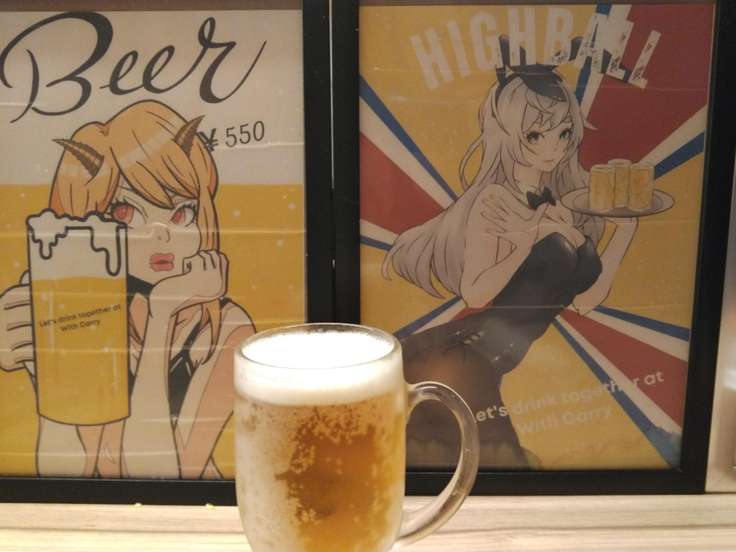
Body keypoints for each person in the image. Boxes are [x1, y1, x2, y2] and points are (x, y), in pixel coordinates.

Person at [383, 65, 638, 468]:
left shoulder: (563, 202)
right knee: (493, 463)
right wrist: (531, 235)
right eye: (535, 135)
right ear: (507, 133)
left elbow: (586, 301)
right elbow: (476, 292)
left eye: (563, 132)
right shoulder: (494, 202)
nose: (553, 146)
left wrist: (624, 233)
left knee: (466, 464)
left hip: (494, 359)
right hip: (463, 355)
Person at [0, 100, 255, 479]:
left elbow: (165, 476)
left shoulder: (224, 330)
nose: (161, 234)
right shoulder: (87, 319)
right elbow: (67, 471)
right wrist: (44, 366)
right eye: (125, 213)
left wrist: (162, 315)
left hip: (200, 514)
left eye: (182, 213)